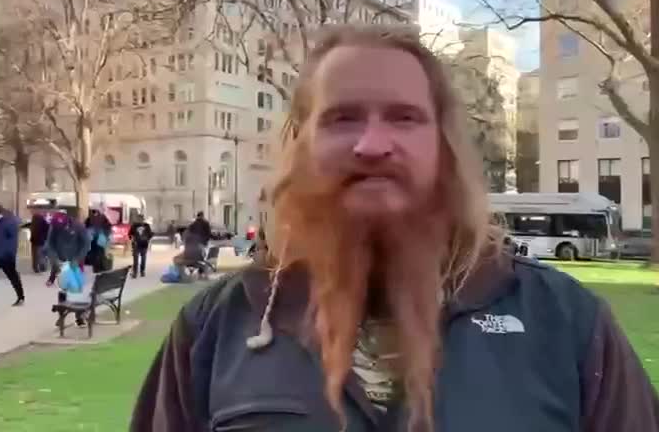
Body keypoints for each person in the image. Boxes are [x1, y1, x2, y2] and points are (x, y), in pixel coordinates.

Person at [130, 25, 659, 431]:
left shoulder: (564, 322)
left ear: (445, 149)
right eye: (342, 118)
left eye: (404, 117)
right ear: (301, 147)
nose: (373, 144)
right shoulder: (214, 328)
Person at [44, 210, 90, 325]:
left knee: (77, 290)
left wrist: (77, 259)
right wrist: (55, 259)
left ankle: (79, 316)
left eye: (61, 227)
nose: (58, 229)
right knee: (63, 290)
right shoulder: (54, 227)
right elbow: (50, 244)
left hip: (76, 262)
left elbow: (86, 244)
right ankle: (62, 316)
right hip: (62, 261)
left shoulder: (78, 226)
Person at [0, 205, 25, 306]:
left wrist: (9, 253)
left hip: (6, 256)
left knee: (13, 277)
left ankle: (20, 297)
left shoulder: (10, 222)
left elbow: (12, 240)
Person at [129, 214, 154, 278]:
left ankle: (136, 272)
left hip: (138, 244)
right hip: (141, 244)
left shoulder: (134, 225)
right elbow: (150, 234)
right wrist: (147, 239)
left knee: (137, 259)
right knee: (141, 258)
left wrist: (132, 239)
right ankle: (141, 272)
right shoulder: (146, 226)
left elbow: (129, 234)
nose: (139, 220)